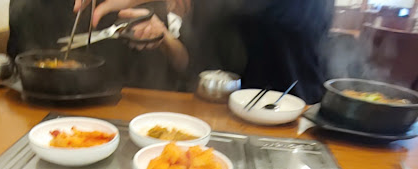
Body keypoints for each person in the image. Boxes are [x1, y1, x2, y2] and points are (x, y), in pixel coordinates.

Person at [74, 0, 334, 103]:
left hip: (296, 115)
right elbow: (196, 65)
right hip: (224, 114)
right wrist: (164, 37)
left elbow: (251, 9)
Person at [7, 0, 188, 91]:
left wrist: (164, 38)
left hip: (131, 113)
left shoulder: (141, 4)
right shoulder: (30, 6)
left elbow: (185, 64)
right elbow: (19, 67)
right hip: (40, 112)